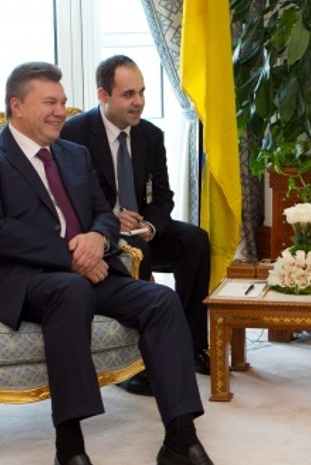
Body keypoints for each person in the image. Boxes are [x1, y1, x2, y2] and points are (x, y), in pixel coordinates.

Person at [0, 62, 214, 465]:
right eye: (50, 103)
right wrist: (72, 256)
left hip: (87, 269)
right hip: (16, 279)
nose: (61, 111)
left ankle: (181, 438)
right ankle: (70, 448)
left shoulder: (73, 154)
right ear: (17, 106)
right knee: (70, 288)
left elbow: (103, 214)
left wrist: (98, 239)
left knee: (160, 300)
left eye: (63, 102)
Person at [61, 55, 212, 397]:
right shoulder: (74, 134)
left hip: (141, 229)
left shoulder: (150, 135)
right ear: (103, 95)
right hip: (100, 232)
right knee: (138, 252)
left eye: (142, 92)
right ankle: (134, 363)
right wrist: (109, 219)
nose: (139, 102)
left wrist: (151, 226)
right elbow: (68, 199)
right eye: (128, 94)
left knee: (195, 241)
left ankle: (191, 346)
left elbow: (164, 196)